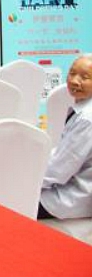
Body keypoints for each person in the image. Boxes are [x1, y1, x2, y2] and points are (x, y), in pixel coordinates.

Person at [39, 55, 92, 220]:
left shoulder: (87, 119)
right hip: (77, 189)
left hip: (73, 197)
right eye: (72, 73)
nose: (75, 81)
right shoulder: (83, 110)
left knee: (9, 201)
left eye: (85, 77)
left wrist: (27, 181)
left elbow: (58, 171)